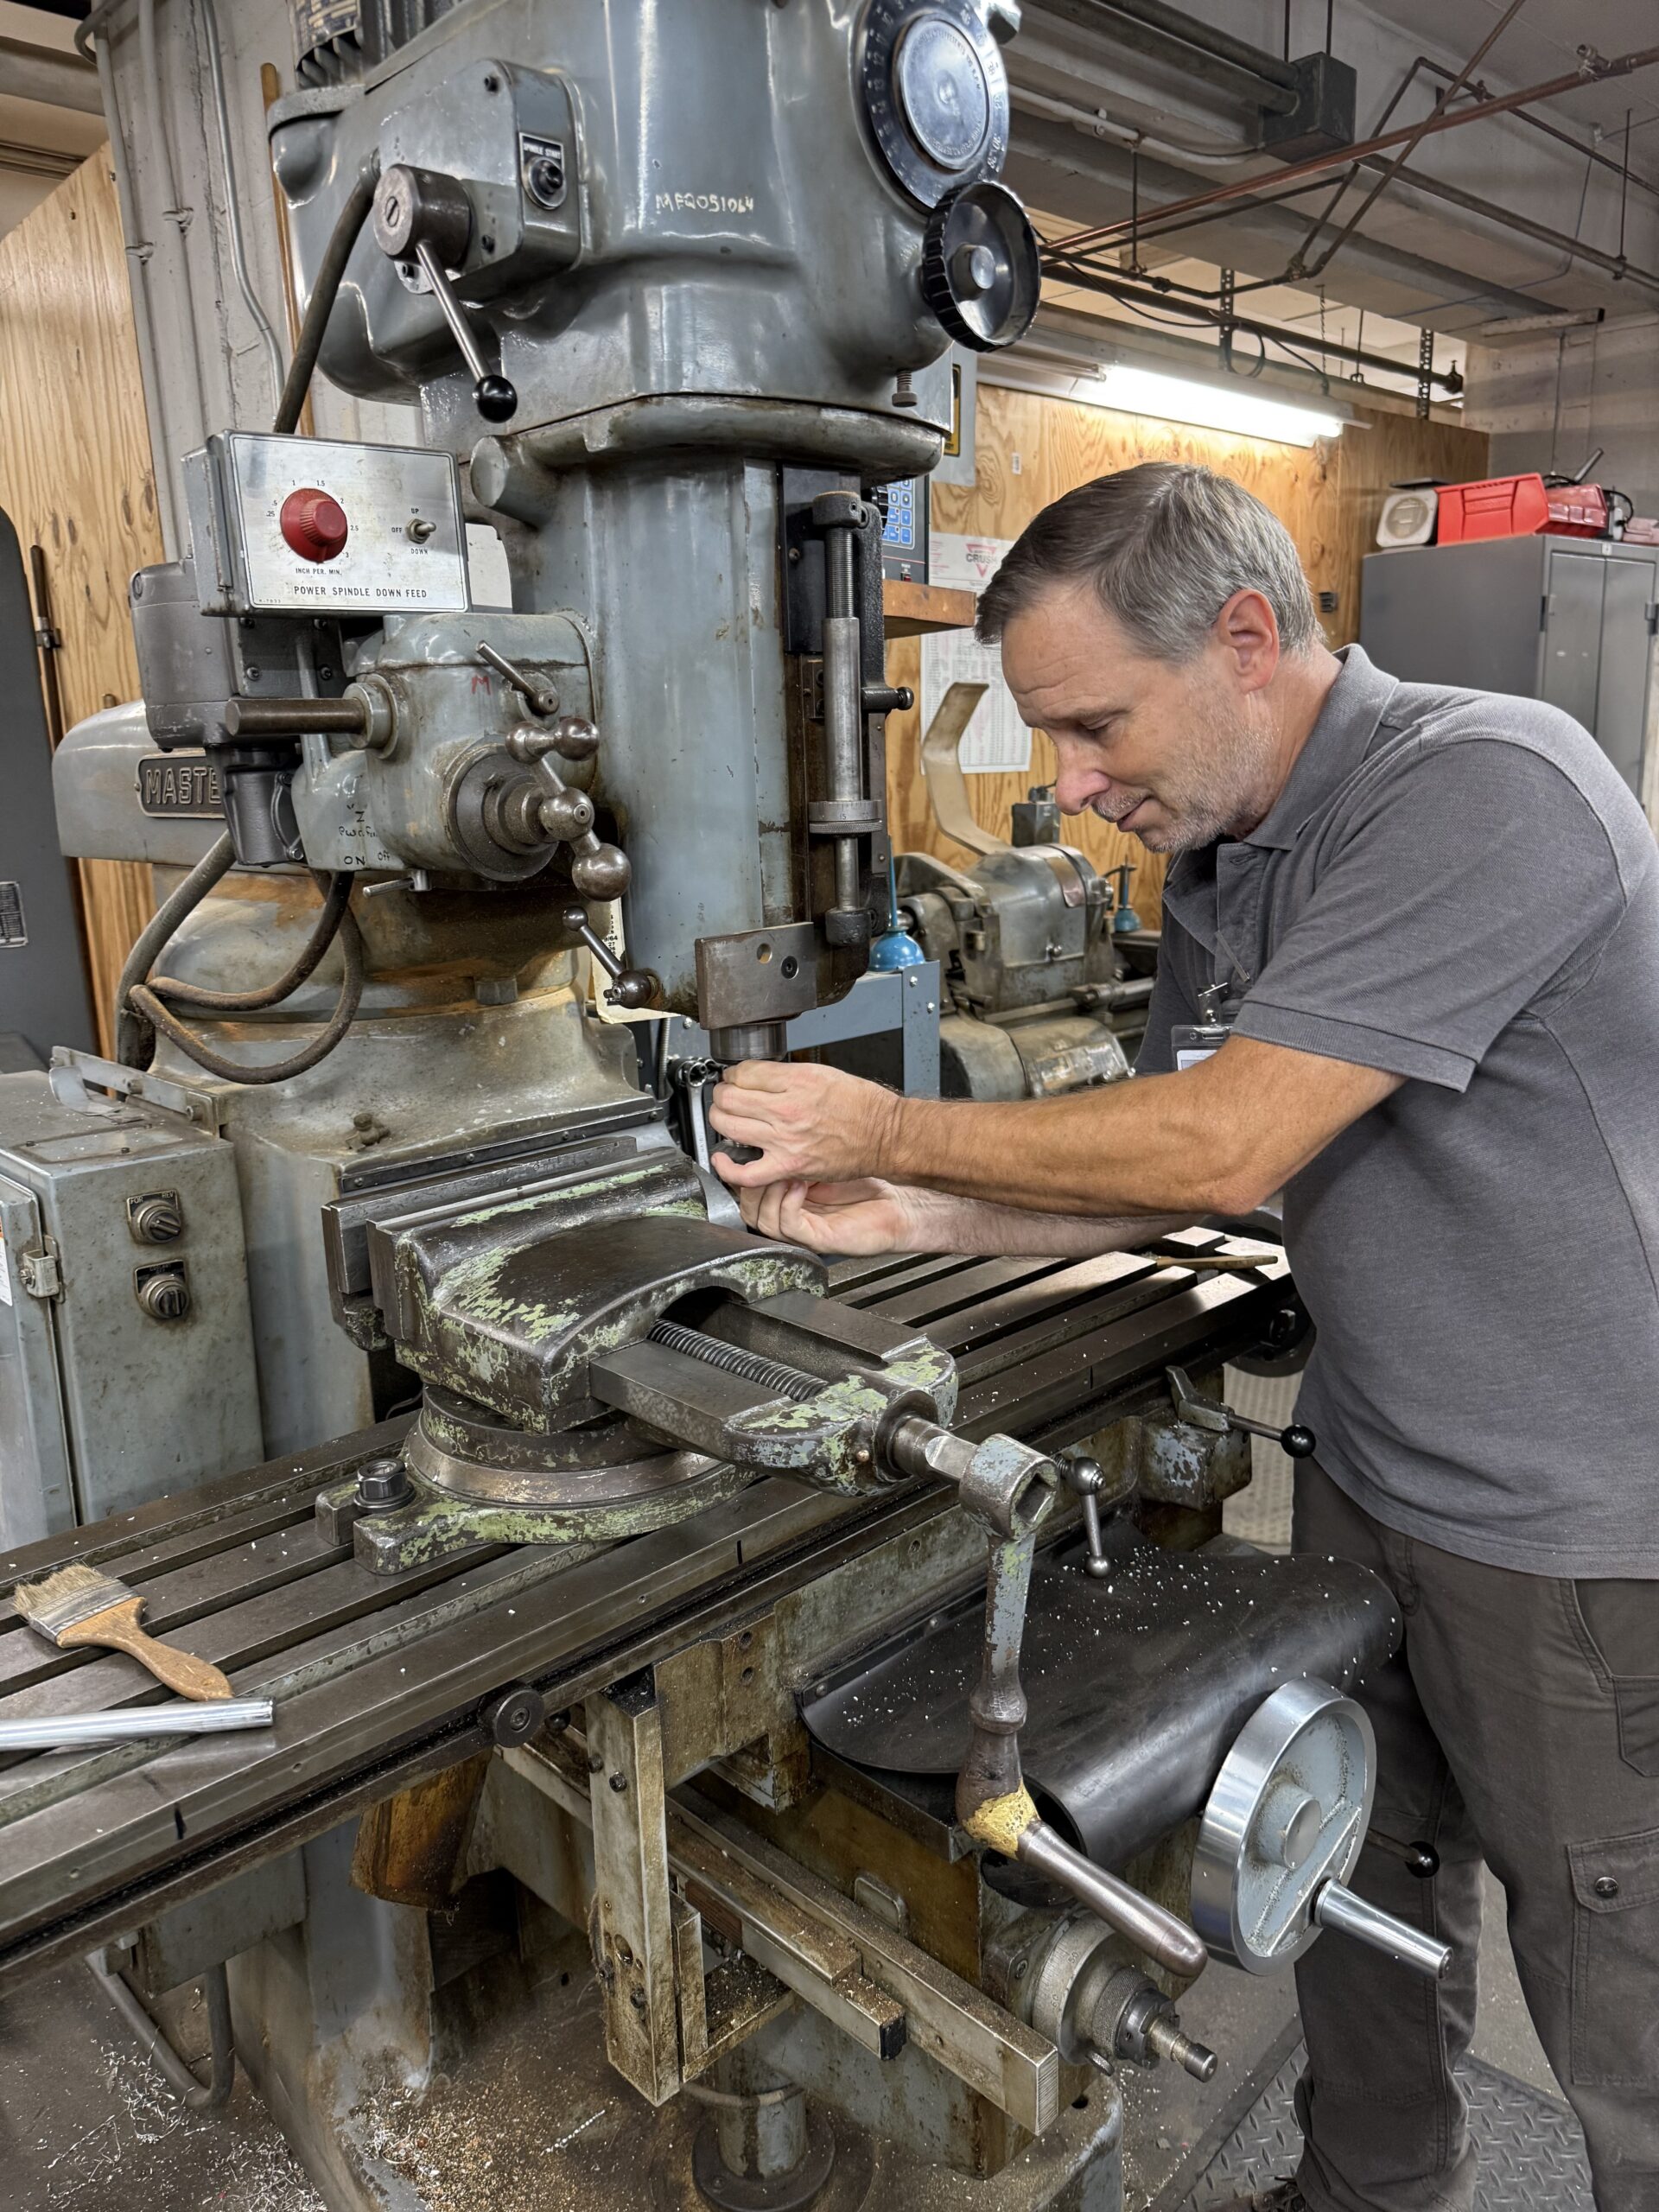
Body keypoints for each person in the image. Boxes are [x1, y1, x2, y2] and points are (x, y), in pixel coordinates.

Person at [707, 461, 1659, 2212]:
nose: (1068, 789)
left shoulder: (1490, 788)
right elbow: (1174, 1165)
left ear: (1243, 639)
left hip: (1581, 1524)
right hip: (1377, 1468)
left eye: (1090, 726)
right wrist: (916, 1219)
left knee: (1622, 1981)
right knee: (1358, 1880)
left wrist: (882, 1126)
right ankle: (1370, 2189)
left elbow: (1227, 1138)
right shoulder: (1228, 855)